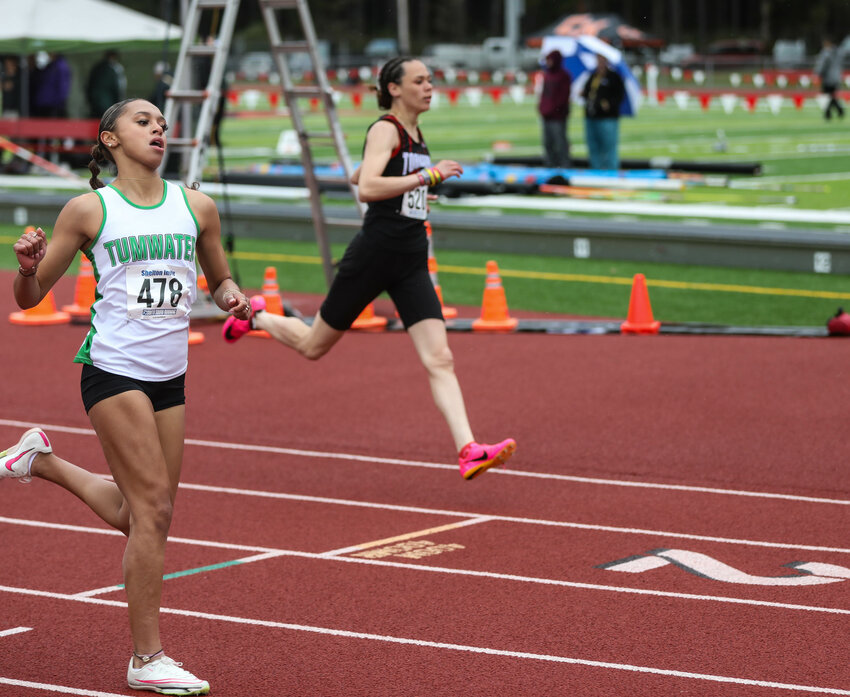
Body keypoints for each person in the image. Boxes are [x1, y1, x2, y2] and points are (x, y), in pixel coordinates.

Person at [3, 97, 252, 695]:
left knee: (140, 515)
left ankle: (41, 460)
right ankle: (147, 658)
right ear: (110, 139)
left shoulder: (197, 205)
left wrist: (232, 296)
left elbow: (219, 279)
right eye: (144, 122)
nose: (158, 129)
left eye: (163, 124)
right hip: (112, 370)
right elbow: (29, 298)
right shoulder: (89, 209)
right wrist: (26, 266)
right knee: (156, 512)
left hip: (171, 375)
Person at [221, 56, 516, 481]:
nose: (430, 86)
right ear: (394, 88)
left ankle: (468, 449)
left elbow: (367, 170)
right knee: (312, 347)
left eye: (432, 79)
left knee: (441, 358)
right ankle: (256, 316)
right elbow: (367, 184)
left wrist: (413, 193)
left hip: (411, 260)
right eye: (420, 80)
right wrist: (424, 178)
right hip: (375, 255)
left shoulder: (414, 134)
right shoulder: (385, 128)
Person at [581, 53, 625, 170]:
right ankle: (596, 173)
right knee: (593, 148)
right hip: (591, 117)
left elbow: (619, 95)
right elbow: (587, 92)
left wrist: (609, 105)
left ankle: (611, 173)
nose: (600, 63)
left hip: (607, 118)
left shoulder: (614, 77)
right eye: (598, 60)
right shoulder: (593, 76)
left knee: (609, 148)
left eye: (602, 60)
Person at [538, 49, 572, 168]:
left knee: (560, 143)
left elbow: (563, 97)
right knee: (548, 144)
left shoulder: (563, 76)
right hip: (547, 115)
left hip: (557, 116)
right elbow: (544, 95)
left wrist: (552, 109)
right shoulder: (547, 75)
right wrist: (542, 108)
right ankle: (550, 166)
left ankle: (564, 166)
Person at [86, 49, 126, 118]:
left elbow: (89, 85)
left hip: (96, 101)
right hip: (106, 102)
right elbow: (115, 87)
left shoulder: (97, 67)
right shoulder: (111, 69)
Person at [814, 37, 846, 121]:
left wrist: (817, 74)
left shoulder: (826, 53)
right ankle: (838, 111)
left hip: (828, 78)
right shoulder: (839, 52)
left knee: (828, 96)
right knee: (833, 96)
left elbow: (822, 65)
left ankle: (830, 113)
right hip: (836, 77)